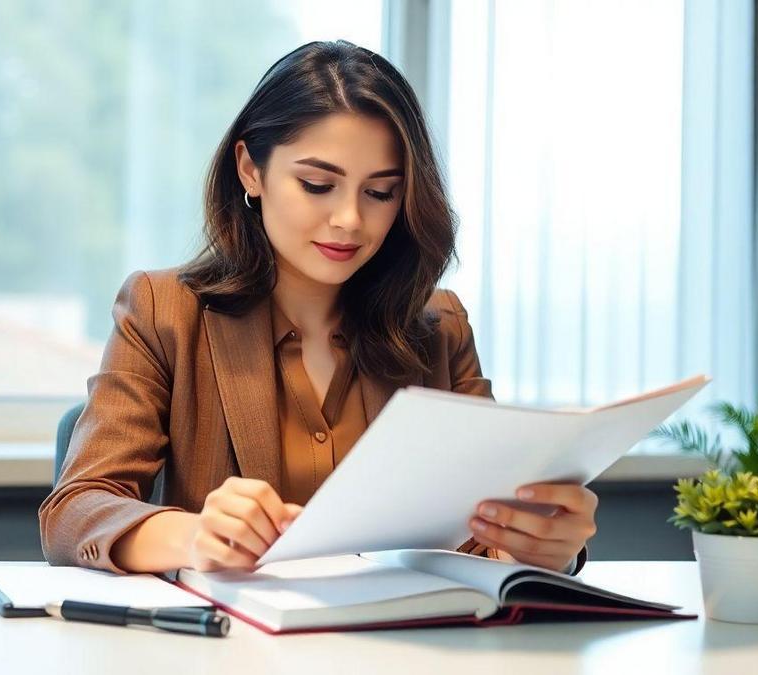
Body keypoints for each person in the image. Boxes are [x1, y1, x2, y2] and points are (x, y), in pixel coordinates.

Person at [39, 40, 595, 576]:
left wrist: (545, 549)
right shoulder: (164, 313)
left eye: (380, 193)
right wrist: (194, 535)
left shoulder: (439, 328)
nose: (350, 219)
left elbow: (482, 537)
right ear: (251, 171)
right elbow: (75, 510)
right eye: (317, 184)